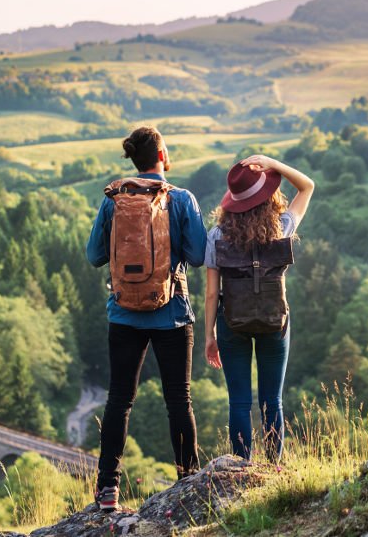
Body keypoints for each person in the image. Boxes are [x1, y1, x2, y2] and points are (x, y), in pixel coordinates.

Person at [87, 126, 207, 510]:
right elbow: (201, 255)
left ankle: (107, 490)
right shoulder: (181, 199)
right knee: (178, 399)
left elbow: (94, 256)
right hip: (171, 312)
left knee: (119, 400)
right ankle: (188, 481)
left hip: (123, 313)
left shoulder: (113, 201)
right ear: (162, 155)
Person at [203, 154, 314, 462]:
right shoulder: (282, 227)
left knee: (238, 402)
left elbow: (212, 294)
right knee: (272, 400)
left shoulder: (217, 235)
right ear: (268, 198)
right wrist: (274, 164)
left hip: (232, 323)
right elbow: (307, 187)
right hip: (274, 322)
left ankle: (241, 467)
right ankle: (274, 466)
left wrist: (209, 336)